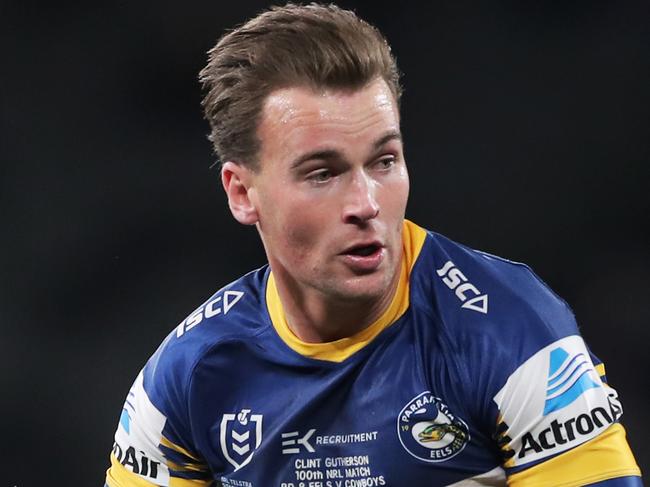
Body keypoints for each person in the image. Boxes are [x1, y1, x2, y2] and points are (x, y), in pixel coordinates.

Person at [105, 4, 642, 486]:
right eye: (322, 173)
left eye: (384, 161)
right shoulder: (188, 377)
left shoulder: (513, 333)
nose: (366, 202)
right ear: (243, 193)